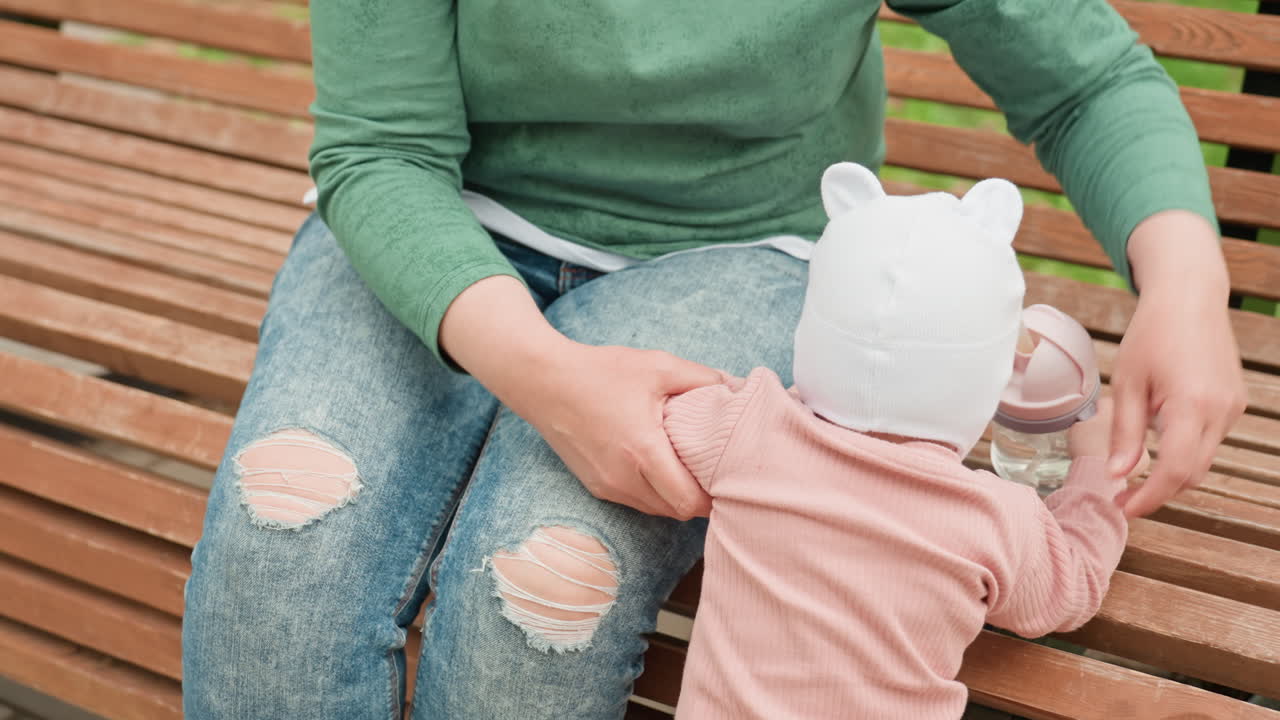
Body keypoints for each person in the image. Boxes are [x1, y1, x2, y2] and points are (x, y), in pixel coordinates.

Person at [181, 0, 1246, 717]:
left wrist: (1186, 285)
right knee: (282, 549)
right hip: (428, 208)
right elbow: (379, 149)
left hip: (732, 248)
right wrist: (544, 378)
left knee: (544, 584)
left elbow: (1080, 81)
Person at [663, 163, 1130, 719]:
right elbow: (1070, 589)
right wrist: (1099, 467)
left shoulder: (745, 428)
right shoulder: (997, 519)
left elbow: (652, 415)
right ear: (991, 372)